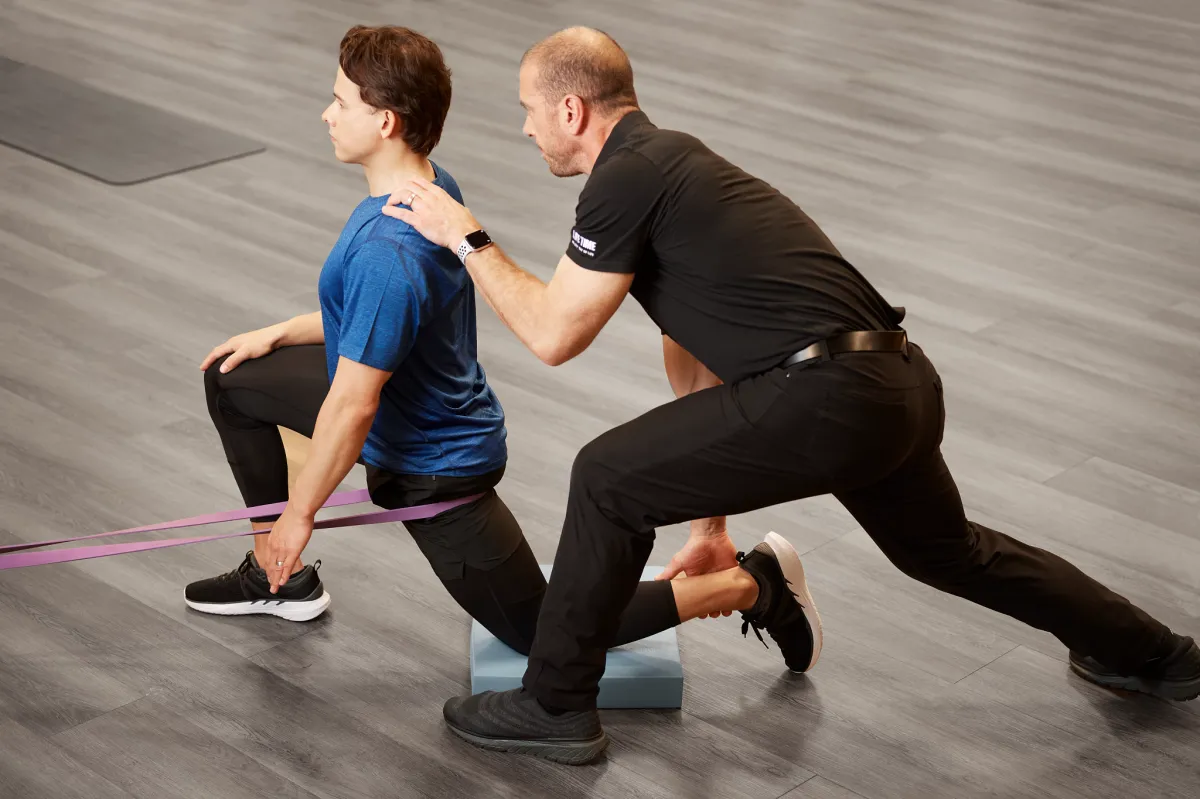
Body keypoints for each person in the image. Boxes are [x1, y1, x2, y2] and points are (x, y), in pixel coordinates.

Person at [385, 26, 1200, 765]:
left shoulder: (623, 177)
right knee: (948, 552)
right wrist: (710, 524)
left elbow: (555, 335)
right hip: (898, 383)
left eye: (529, 110)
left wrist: (466, 235)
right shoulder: (672, 161)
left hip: (833, 393)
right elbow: (692, 348)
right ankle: (1154, 654)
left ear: (571, 109)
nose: (524, 129)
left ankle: (553, 703)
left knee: (605, 475)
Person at [184, 25, 821, 702]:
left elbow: (354, 402)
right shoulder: (430, 194)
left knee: (542, 628)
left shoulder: (389, 251)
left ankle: (750, 584)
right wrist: (281, 333)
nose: (326, 112)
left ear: (386, 121)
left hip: (434, 464)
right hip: (406, 404)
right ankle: (275, 577)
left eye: (340, 100)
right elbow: (387, 326)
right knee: (233, 379)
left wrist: (299, 515)